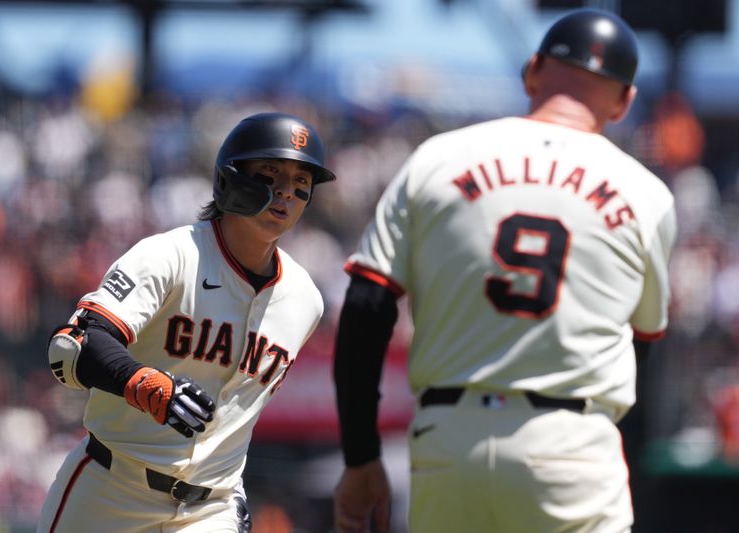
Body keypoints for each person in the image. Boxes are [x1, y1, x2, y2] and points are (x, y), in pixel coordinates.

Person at [332, 8, 676, 533]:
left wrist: (360, 458)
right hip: (570, 444)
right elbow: (642, 343)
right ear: (625, 101)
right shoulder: (646, 193)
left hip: (448, 440)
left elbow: (366, 307)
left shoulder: (437, 157)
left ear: (532, 70)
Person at [37, 112, 336, 532]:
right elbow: (72, 346)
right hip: (110, 490)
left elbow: (238, 415)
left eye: (301, 184)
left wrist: (232, 496)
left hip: (208, 510)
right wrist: (144, 384)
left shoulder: (305, 301)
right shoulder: (170, 256)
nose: (287, 193)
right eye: (271, 175)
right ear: (231, 180)